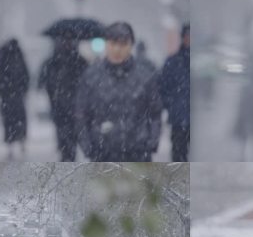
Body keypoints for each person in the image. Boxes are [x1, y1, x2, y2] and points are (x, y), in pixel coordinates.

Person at [76, 22, 162, 162]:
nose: (117, 49)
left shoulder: (145, 76)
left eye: (123, 44)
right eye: (112, 43)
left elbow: (155, 112)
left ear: (131, 45)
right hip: (102, 153)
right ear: (106, 45)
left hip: (138, 152)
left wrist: (151, 142)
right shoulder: (92, 76)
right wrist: (88, 147)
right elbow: (81, 114)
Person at [38, 32, 89, 162]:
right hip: (65, 105)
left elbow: (42, 81)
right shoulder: (78, 61)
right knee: (67, 133)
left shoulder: (53, 62)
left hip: (65, 105)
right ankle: (67, 154)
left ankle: (67, 154)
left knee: (66, 133)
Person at [0, 38, 30, 160]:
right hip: (15, 96)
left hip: (7, 97)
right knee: (19, 120)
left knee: (9, 122)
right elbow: (26, 77)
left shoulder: (3, 60)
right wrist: (22, 90)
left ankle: (11, 145)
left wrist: (3, 92)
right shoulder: (19, 58)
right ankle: (21, 141)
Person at [160, 23, 190, 162]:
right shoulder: (172, 62)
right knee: (179, 154)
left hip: (190, 118)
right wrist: (172, 105)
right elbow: (163, 88)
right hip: (178, 119)